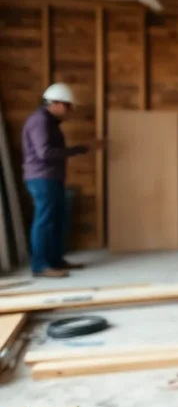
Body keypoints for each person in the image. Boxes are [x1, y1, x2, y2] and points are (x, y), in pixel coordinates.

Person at [21, 83, 102, 278]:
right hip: (42, 178)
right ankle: (40, 266)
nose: (69, 110)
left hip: (50, 178)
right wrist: (80, 149)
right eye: (67, 105)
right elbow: (45, 153)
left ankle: (55, 261)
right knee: (45, 220)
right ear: (54, 103)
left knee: (56, 220)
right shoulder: (40, 121)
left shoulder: (48, 122)